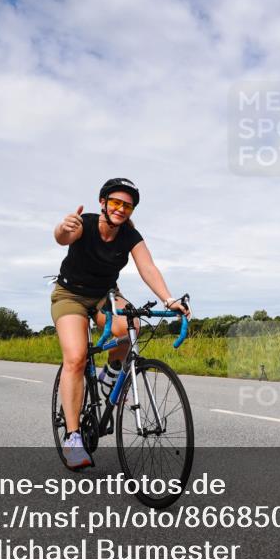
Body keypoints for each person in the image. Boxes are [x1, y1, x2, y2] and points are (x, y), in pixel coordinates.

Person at [51, 177, 190, 468]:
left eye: (127, 205)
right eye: (115, 202)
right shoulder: (84, 224)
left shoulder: (130, 235)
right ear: (102, 203)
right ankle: (73, 438)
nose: (121, 209)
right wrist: (62, 229)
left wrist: (168, 299)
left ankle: (110, 374)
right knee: (76, 358)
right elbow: (63, 237)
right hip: (71, 294)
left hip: (105, 296)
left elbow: (147, 267)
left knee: (131, 327)